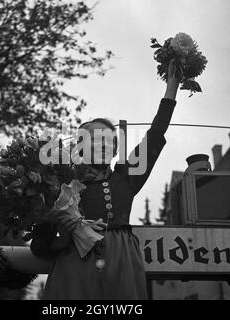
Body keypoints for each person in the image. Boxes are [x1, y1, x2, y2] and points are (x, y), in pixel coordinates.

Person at [31, 59, 180, 299]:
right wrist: (61, 240)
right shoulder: (58, 184)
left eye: (110, 141)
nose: (104, 144)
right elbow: (39, 245)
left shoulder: (126, 177)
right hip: (74, 269)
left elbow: (154, 135)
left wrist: (171, 89)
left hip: (122, 267)